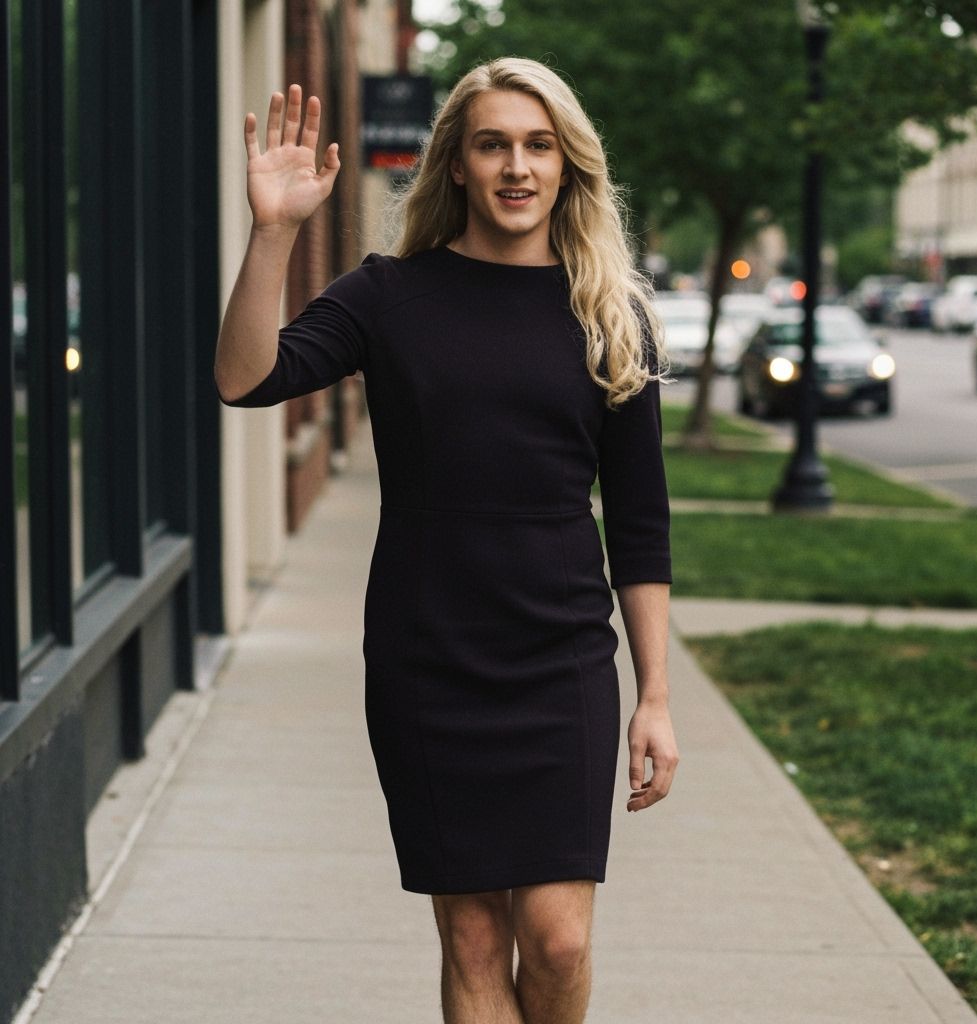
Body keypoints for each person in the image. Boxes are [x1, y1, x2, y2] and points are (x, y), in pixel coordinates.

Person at [215, 57, 679, 1024]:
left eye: (539, 145)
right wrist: (274, 234)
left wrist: (656, 697)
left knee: (558, 941)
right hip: (429, 655)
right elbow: (248, 379)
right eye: (493, 144)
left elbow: (640, 526)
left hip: (560, 656)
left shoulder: (611, 312)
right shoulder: (390, 296)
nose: (518, 166)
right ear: (456, 164)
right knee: (471, 938)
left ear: (568, 164)